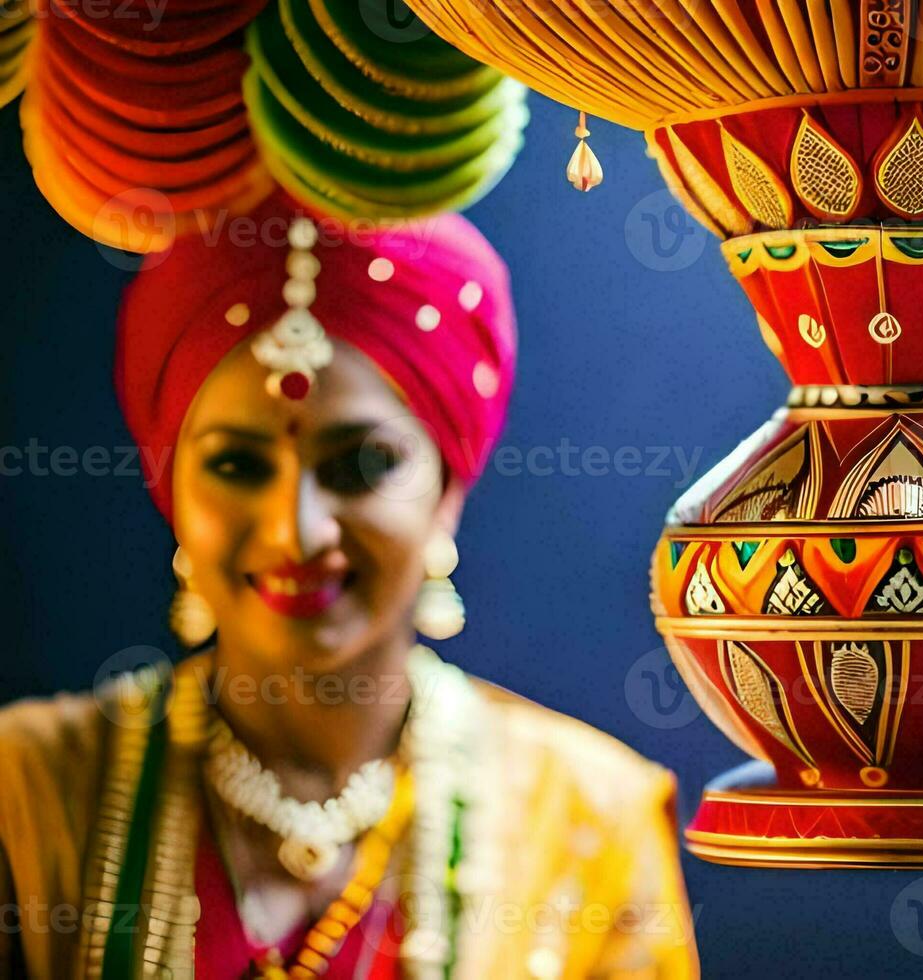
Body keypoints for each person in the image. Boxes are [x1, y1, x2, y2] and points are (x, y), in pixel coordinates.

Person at [0, 194, 698, 978]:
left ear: (449, 489)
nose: (297, 532)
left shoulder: (587, 815)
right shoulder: (28, 794)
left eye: (362, 465)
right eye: (237, 465)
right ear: (171, 487)